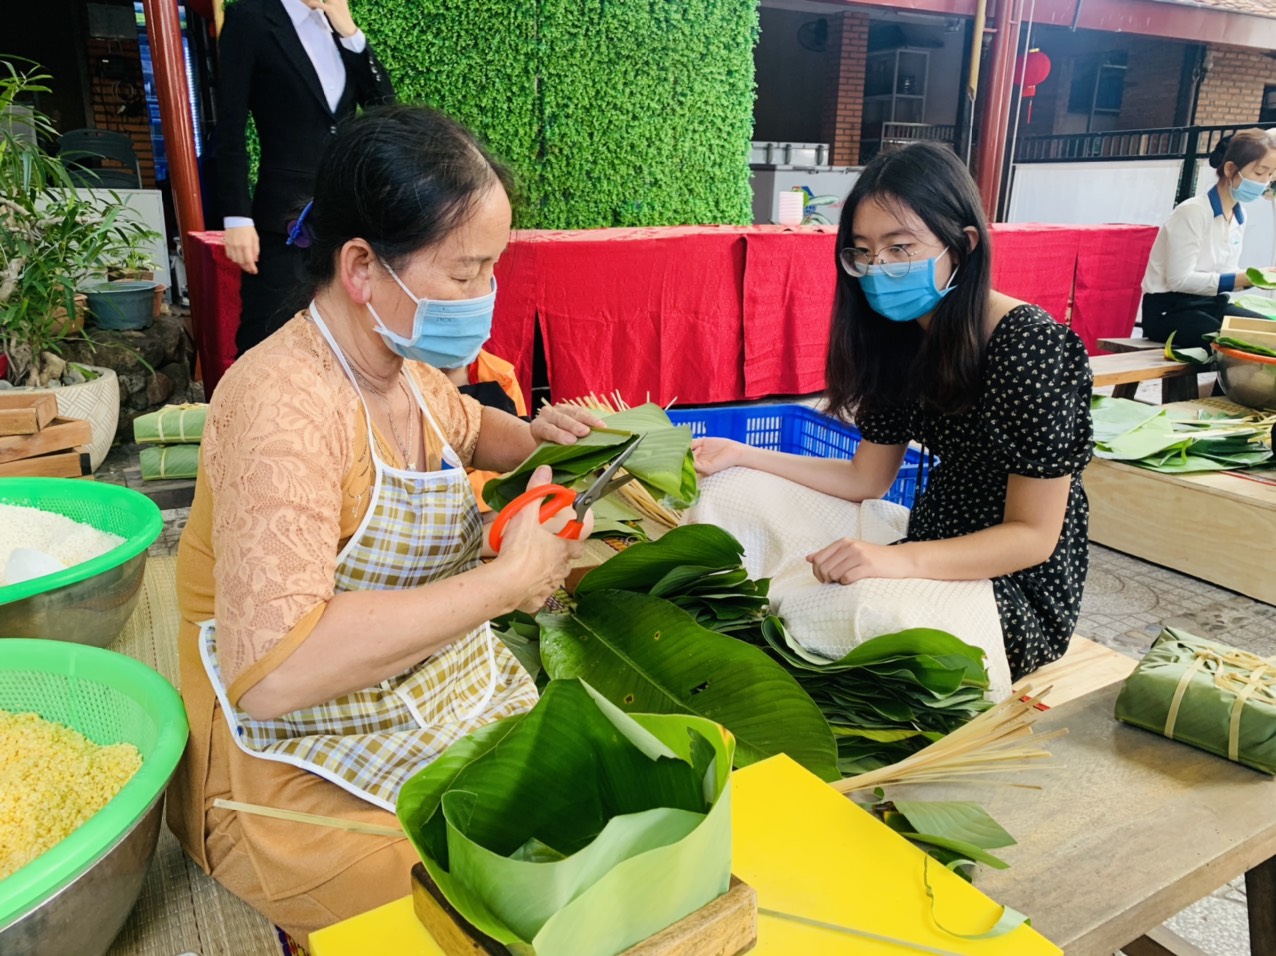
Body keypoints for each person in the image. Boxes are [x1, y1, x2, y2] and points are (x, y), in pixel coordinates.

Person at [170, 105, 604, 944]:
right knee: (473, 905)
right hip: (288, 754)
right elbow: (274, 676)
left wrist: (536, 436)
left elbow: (473, 429)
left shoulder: (399, 366)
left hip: (423, 694)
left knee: (580, 817)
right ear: (363, 266)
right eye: (465, 273)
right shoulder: (283, 404)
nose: (486, 298)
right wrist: (506, 584)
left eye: (492, 270)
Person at [692, 142, 1093, 681]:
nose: (877, 267)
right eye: (862, 250)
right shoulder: (898, 334)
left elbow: (1033, 536)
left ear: (964, 245)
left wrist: (892, 562)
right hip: (927, 540)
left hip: (1012, 585)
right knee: (729, 490)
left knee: (859, 613)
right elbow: (867, 477)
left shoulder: (1029, 346)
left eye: (900, 247)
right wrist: (744, 454)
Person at [216, 0, 395, 355]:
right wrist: (236, 217)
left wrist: (350, 32)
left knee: (347, 336)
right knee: (266, 334)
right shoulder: (250, 18)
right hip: (282, 216)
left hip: (344, 214)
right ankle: (248, 409)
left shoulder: (335, 27)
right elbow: (229, 126)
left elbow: (384, 110)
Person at [1141, 128, 1276, 348]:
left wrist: (1257, 277)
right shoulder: (1192, 211)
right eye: (1260, 172)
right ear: (1231, 169)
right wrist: (1242, 278)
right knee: (1235, 345)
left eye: (1271, 174)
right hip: (1169, 310)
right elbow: (1179, 280)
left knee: (1270, 336)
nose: (1265, 182)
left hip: (1211, 305)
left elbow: (1226, 274)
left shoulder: (1238, 216)